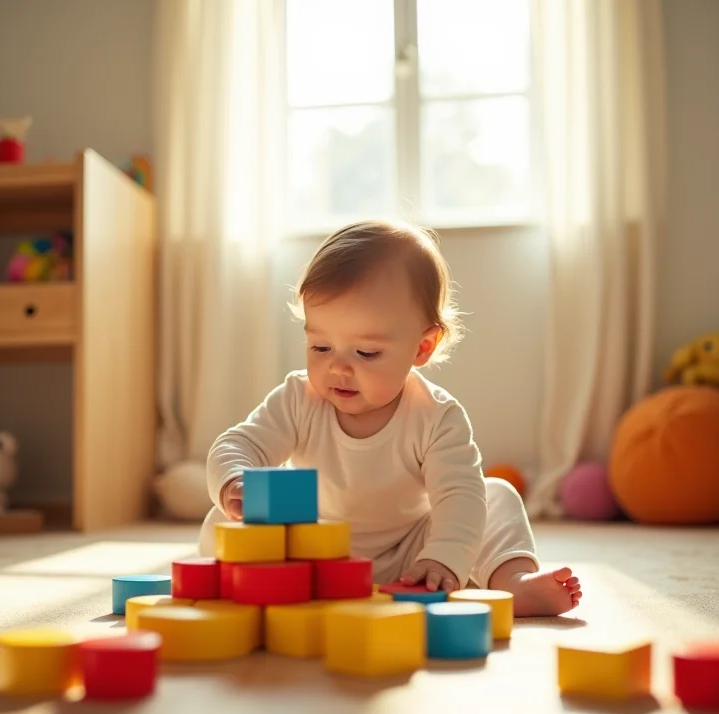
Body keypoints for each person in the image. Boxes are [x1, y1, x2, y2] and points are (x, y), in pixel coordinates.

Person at [198, 219, 581, 616]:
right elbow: (239, 444)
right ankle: (257, 584)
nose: (338, 368)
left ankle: (512, 583)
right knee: (220, 519)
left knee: (494, 496)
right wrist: (235, 480)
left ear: (422, 348)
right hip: (310, 550)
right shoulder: (298, 398)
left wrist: (443, 556)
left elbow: (457, 495)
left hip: (411, 553)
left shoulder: (437, 416)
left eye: (366, 353)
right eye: (321, 347)